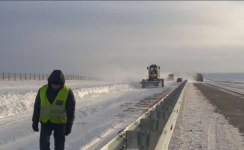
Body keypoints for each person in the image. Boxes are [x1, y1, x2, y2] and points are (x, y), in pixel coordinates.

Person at [32, 70, 76, 150]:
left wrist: (69, 125)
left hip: (60, 123)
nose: (55, 86)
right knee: (43, 144)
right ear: (50, 82)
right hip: (46, 122)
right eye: (53, 84)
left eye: (57, 85)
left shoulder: (67, 92)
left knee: (59, 145)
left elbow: (71, 110)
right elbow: (37, 107)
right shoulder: (42, 90)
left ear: (61, 84)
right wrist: (35, 121)